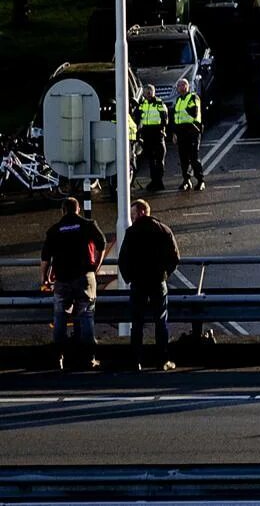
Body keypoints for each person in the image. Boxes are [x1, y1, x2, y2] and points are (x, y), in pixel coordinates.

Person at [41, 196, 106, 372]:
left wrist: (44, 278)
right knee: (86, 315)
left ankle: (58, 358)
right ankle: (89, 358)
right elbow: (102, 244)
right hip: (85, 277)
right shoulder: (88, 225)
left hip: (62, 279)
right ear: (78, 209)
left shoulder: (54, 230)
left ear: (62, 210)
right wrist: (95, 267)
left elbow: (45, 258)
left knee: (60, 318)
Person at [120, 197, 179, 372]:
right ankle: (162, 359)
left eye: (133, 214)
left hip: (138, 282)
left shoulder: (132, 232)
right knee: (160, 321)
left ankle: (135, 360)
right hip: (158, 281)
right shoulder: (163, 230)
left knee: (137, 322)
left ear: (141, 212)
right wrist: (165, 273)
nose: (132, 217)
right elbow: (175, 257)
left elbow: (123, 260)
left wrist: (129, 277)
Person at [170, 77, 205, 191]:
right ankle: (186, 180)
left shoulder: (193, 97)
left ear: (188, 86)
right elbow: (176, 117)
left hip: (192, 130)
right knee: (183, 158)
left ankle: (200, 180)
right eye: (179, 86)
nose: (181, 87)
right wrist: (174, 133)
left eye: (183, 85)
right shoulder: (179, 100)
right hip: (181, 132)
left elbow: (193, 112)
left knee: (194, 157)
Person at [135, 84, 168, 191]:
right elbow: (138, 116)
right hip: (146, 133)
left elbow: (165, 118)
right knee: (150, 160)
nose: (148, 94)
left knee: (159, 159)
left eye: (150, 92)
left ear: (154, 92)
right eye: (146, 92)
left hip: (157, 133)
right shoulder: (143, 103)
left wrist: (162, 130)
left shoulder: (159, 103)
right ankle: (154, 181)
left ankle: (159, 181)